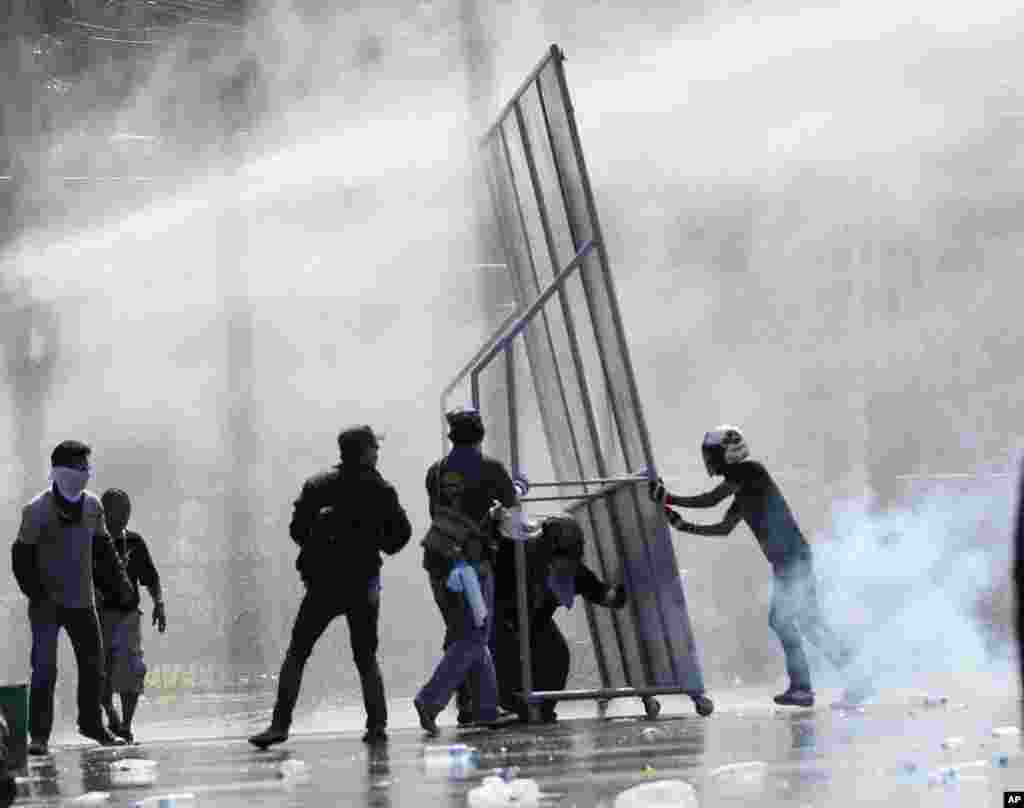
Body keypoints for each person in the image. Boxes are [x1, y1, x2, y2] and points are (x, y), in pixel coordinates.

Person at [650, 426, 868, 708]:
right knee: (799, 623)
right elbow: (723, 528)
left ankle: (834, 681)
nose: (709, 460)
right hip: (788, 560)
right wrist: (683, 525)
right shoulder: (745, 489)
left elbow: (711, 500)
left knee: (798, 623)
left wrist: (667, 498)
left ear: (724, 454)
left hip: (792, 560)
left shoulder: (750, 472)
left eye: (712, 454)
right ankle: (818, 685)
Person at [249, 425, 411, 748]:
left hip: (323, 584)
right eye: (374, 448)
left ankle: (279, 726)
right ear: (364, 451)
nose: (378, 453)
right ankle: (376, 726)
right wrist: (373, 540)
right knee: (365, 657)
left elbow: (297, 531)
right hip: (364, 582)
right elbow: (401, 536)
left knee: (297, 653)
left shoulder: (318, 485)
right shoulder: (381, 489)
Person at [10, 440, 125, 754]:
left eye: (88, 468)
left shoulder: (92, 507)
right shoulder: (36, 511)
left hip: (83, 602)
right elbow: (20, 558)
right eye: (79, 468)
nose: (85, 474)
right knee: (45, 668)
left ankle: (91, 724)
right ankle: (40, 737)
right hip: (47, 604)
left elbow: (104, 552)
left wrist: (120, 584)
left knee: (94, 666)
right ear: (60, 472)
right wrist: (37, 594)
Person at [414, 407, 519, 736]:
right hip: (471, 565)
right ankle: (430, 700)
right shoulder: (490, 468)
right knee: (474, 636)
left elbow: (439, 512)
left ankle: (487, 709)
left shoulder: (436, 471)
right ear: (481, 434)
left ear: (451, 436)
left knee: (471, 635)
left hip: (438, 561)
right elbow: (511, 505)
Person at [492, 515, 628, 723]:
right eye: (561, 555)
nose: (566, 563)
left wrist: (620, 591)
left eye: (572, 556)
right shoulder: (518, 556)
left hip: (537, 623)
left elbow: (600, 593)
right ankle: (507, 705)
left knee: (557, 654)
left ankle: (544, 708)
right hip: (502, 620)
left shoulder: (575, 572)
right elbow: (495, 541)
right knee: (503, 656)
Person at [93, 488, 166, 744]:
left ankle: (126, 725)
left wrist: (159, 602)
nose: (125, 515)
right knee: (101, 672)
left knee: (133, 669)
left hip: (128, 616)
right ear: (104, 512)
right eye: (119, 509)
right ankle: (110, 714)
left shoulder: (134, 541)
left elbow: (151, 577)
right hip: (99, 617)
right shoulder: (93, 542)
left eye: (128, 509)